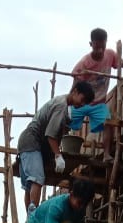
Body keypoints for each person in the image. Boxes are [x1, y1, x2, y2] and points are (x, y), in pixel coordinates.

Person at [17, 81, 95, 215]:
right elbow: (51, 135)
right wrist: (58, 156)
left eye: (84, 104)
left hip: (27, 142)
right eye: (82, 100)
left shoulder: (62, 104)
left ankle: (30, 218)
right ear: (75, 91)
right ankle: (33, 217)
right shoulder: (61, 106)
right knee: (37, 179)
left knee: (30, 185)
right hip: (31, 141)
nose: (81, 104)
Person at [69, 28, 123, 162]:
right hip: (82, 101)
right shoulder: (84, 63)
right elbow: (75, 82)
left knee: (107, 123)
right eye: (97, 47)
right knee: (68, 122)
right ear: (91, 44)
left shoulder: (110, 55)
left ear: (105, 43)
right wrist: (70, 101)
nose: (99, 51)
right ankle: (62, 150)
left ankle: (106, 155)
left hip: (99, 102)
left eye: (102, 47)